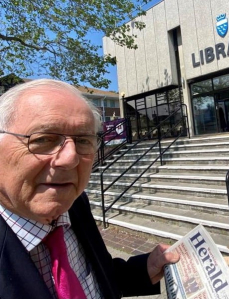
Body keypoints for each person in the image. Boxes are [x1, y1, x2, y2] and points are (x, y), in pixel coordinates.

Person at [0, 79, 179, 299]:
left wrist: (145, 269)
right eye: (44, 138)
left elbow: (93, 277)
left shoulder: (75, 203)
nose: (70, 158)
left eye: (83, 141)